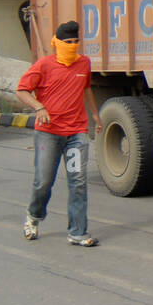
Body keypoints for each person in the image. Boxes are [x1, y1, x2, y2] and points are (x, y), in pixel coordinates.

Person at [15, 20, 103, 245]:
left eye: (76, 42)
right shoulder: (43, 65)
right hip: (48, 134)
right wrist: (39, 107)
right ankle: (33, 217)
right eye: (67, 42)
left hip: (76, 134)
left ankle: (78, 232)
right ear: (56, 43)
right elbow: (22, 90)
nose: (72, 46)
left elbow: (86, 88)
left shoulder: (84, 64)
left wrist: (95, 114)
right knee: (44, 181)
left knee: (78, 182)